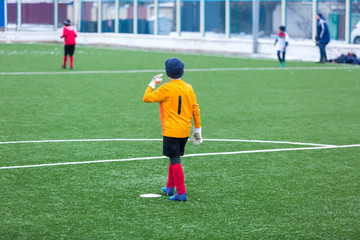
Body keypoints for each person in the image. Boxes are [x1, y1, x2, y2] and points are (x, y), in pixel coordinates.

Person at [143, 58, 202, 202]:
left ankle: (181, 192)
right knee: (174, 156)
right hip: (184, 130)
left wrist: (152, 84)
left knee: (175, 160)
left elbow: (146, 98)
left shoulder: (165, 88)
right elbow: (195, 108)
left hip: (171, 130)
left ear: (167, 72)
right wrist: (198, 129)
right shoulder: (189, 87)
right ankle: (170, 187)